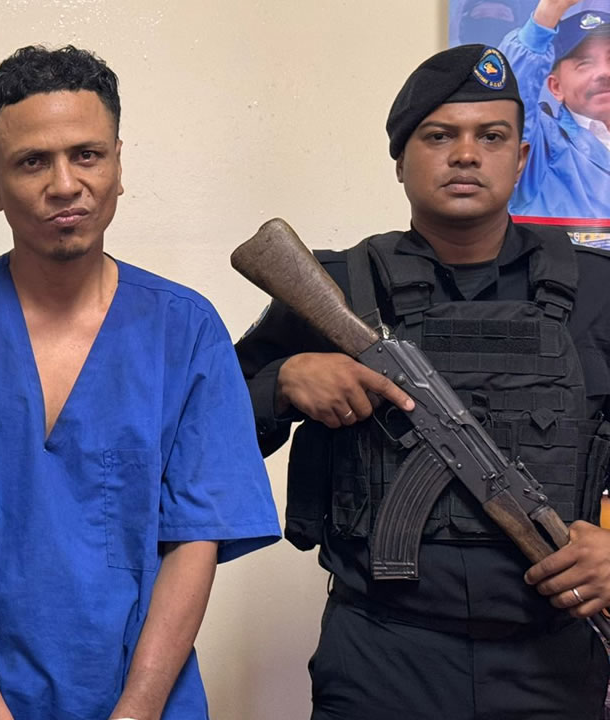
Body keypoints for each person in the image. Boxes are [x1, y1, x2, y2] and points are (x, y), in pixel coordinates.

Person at [0, 45, 281, 719]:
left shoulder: (185, 330)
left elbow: (196, 541)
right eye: (32, 161)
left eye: (87, 155)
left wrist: (135, 712)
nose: (65, 184)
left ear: (118, 165)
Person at [235, 44, 610, 719]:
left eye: (491, 137)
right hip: (380, 658)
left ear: (522, 158)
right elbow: (199, 431)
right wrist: (284, 382)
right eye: (439, 136)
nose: (465, 155)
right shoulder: (336, 288)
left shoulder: (599, 292)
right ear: (400, 161)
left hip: (551, 663)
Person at [500, 0, 610, 217]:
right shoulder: (541, 148)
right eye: (584, 64)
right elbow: (506, 103)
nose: (604, 73)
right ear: (555, 87)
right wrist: (549, 11)